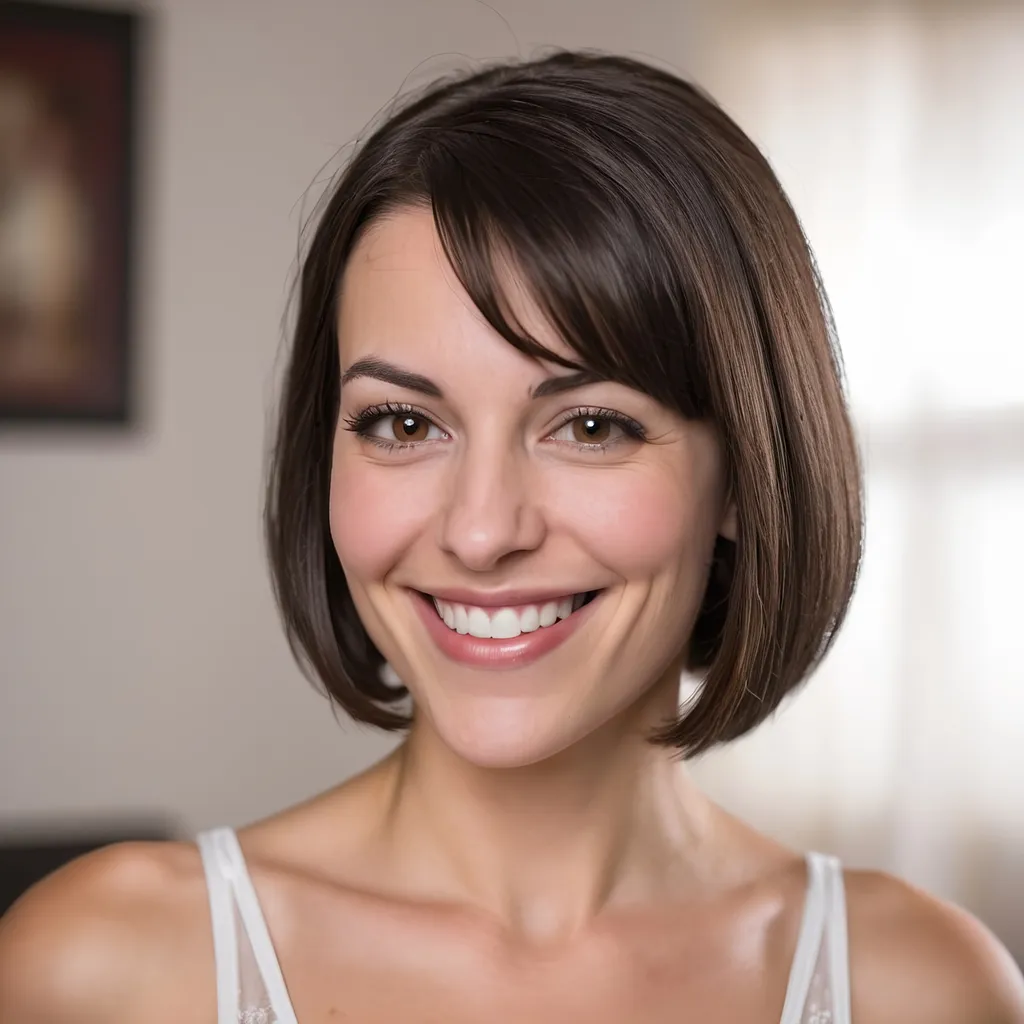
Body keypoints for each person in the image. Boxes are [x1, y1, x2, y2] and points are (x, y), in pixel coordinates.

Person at [1, 51, 1022, 1024]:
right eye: (403, 424)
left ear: (745, 475)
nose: (483, 530)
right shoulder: (105, 969)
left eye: (589, 426)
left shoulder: (919, 987)